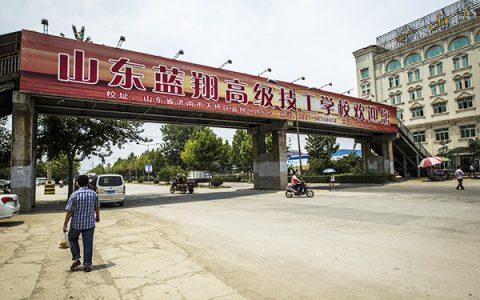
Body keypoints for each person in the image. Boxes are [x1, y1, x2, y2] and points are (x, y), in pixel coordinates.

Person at [63, 174, 100, 272]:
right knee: (88, 243)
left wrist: (65, 224)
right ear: (88, 183)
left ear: (77, 183)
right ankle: (87, 264)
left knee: (72, 238)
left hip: (76, 224)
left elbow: (69, 211)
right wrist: (98, 217)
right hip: (90, 224)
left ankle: (76, 258)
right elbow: (97, 207)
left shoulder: (74, 195)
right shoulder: (94, 194)